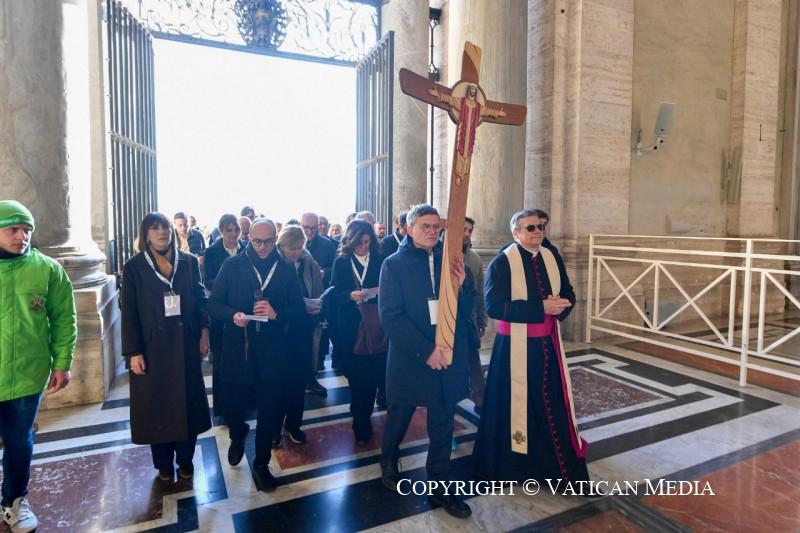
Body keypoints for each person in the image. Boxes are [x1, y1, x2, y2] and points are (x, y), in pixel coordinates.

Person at [472, 209, 589, 488]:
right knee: (515, 406)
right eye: (531, 228)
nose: (538, 232)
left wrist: (564, 304)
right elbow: (494, 306)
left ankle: (551, 464)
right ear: (516, 233)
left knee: (549, 404)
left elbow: (569, 291)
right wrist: (542, 308)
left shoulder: (551, 257)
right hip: (514, 349)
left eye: (541, 227)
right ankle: (516, 467)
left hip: (548, 346)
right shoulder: (503, 262)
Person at [378, 204, 473, 519]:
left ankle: (440, 484)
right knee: (400, 414)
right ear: (409, 228)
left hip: (446, 353)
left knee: (443, 420)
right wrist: (425, 351)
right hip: (411, 356)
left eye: (436, 226)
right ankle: (389, 461)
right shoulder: (394, 264)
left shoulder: (451, 259)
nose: (433, 231)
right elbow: (391, 316)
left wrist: (462, 287)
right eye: (425, 226)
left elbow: (467, 308)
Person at [208, 218, 305, 492]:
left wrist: (277, 314)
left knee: (271, 409)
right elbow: (213, 303)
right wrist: (232, 315)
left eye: (269, 241)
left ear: (276, 239)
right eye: (258, 241)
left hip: (274, 351)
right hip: (239, 348)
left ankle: (261, 464)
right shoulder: (233, 265)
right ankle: (238, 433)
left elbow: (298, 310)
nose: (263, 247)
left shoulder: (285, 268)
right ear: (248, 238)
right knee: (234, 408)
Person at [0, 201, 76, 533]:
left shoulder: (48, 269)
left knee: (19, 440)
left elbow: (63, 320)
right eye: (13, 230)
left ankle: (14, 501)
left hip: (27, 375)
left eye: (27, 229)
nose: (22, 236)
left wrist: (62, 363)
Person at [121, 213, 211, 484]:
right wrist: (133, 351)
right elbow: (130, 312)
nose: (161, 232)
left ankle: (185, 459)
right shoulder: (134, 267)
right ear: (145, 234)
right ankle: (162, 463)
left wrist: (205, 330)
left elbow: (199, 297)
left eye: (165, 227)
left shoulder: (189, 262)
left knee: (187, 403)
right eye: (154, 228)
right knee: (156, 405)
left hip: (186, 343)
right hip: (152, 348)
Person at [329, 221, 386, 445]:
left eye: (367, 242)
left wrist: (376, 292)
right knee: (357, 379)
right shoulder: (342, 262)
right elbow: (334, 293)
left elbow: (389, 288)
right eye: (359, 243)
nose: (364, 247)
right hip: (351, 327)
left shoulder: (380, 260)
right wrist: (349, 296)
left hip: (375, 325)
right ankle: (360, 420)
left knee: (373, 378)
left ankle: (365, 414)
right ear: (350, 242)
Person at [274, 225, 325, 447]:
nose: (296, 252)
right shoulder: (274, 265)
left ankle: (294, 425)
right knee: (277, 383)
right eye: (291, 248)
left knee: (298, 381)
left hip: (302, 327)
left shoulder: (309, 263)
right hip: (278, 329)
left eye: (299, 248)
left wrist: (317, 306)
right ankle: (274, 427)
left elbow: (317, 291)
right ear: (281, 246)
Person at [203, 214, 247, 416]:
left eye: (236, 229)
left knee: (242, 356)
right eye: (229, 230)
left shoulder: (246, 248)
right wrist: (230, 286)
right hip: (222, 310)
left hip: (243, 310)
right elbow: (209, 280)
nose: (233, 234)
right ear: (221, 231)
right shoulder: (212, 251)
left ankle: (244, 401)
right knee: (221, 358)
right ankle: (221, 406)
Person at [463, 217, 488, 413]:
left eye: (469, 230)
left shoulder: (475, 259)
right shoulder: (437, 255)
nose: (465, 233)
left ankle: (480, 397)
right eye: (462, 229)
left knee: (473, 360)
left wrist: (481, 320)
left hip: (468, 319)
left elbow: (480, 293)